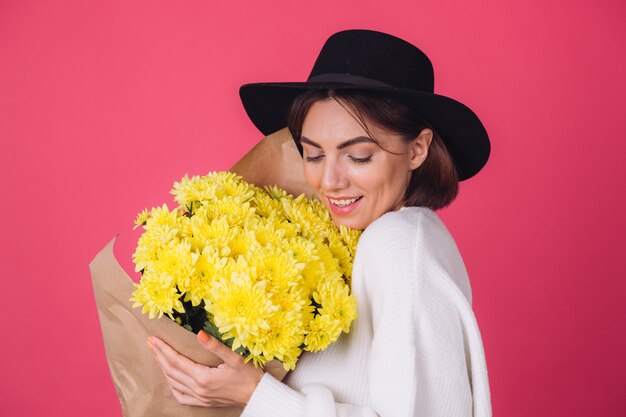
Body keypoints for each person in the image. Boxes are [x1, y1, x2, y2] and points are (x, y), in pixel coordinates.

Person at [147, 29, 492, 416]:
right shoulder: (358, 243)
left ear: (417, 149)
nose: (329, 182)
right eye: (312, 155)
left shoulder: (399, 244)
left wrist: (255, 394)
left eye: (358, 156)